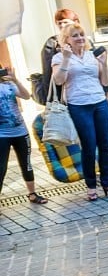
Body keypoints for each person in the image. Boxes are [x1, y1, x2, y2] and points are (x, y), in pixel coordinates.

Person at [51, 24, 108, 202]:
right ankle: (91, 186)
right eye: (75, 36)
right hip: (78, 105)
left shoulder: (91, 55)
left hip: (99, 102)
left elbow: (104, 81)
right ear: (66, 40)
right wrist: (66, 59)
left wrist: (104, 64)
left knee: (105, 144)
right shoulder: (59, 57)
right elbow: (58, 80)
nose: (80, 38)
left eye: (82, 34)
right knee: (89, 145)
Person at [0, 66, 47, 204]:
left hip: (20, 131)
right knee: (1, 167)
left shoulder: (9, 85)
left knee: (26, 163)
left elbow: (26, 96)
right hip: (2, 134)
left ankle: (32, 194)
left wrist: (15, 79)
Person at [39, 9, 80, 105]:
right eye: (59, 23)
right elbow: (48, 74)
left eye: (65, 22)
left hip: (92, 93)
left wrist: (106, 91)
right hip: (66, 96)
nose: (62, 25)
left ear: (76, 22)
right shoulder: (52, 43)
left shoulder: (84, 40)